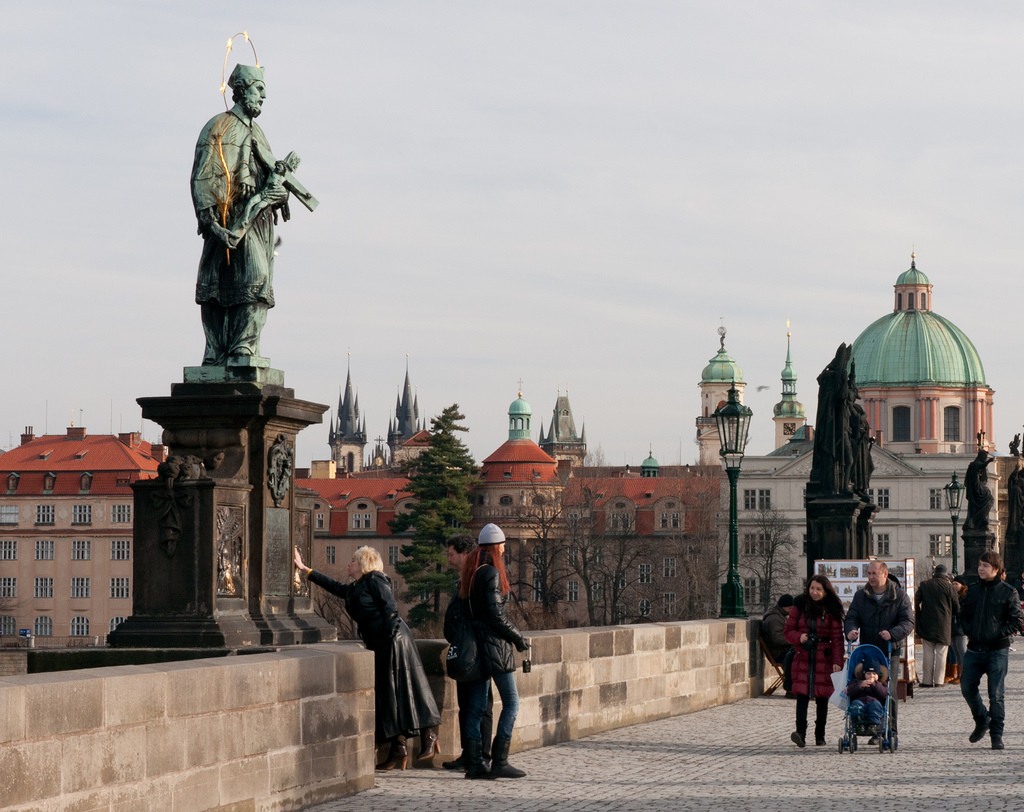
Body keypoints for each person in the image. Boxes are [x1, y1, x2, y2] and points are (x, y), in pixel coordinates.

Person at [294, 545, 441, 770]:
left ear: (363, 564)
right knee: (388, 695)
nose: (349, 564)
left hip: (394, 640)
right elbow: (335, 587)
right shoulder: (357, 587)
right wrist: (306, 570)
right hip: (381, 642)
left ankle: (429, 735)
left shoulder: (375, 579)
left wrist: (390, 638)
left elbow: (391, 609)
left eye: (353, 560)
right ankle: (398, 748)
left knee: (408, 687)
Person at [191, 63, 291, 365]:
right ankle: (219, 351)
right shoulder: (218, 126)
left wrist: (278, 195)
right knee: (221, 286)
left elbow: (269, 176)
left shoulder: (258, 133)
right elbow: (203, 176)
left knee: (257, 282)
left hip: (256, 223)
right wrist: (211, 222)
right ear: (241, 89)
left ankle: (243, 348)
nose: (263, 97)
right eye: (259, 90)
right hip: (227, 219)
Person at [461, 523, 531, 779]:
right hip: (493, 647)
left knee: (476, 707)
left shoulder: (472, 572)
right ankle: (500, 760)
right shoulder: (490, 573)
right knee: (511, 702)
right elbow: (496, 617)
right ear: (495, 547)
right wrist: (518, 638)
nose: (504, 549)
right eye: (502, 545)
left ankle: (475, 764)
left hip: (477, 647)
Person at [959, 551, 1024, 750]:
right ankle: (982, 719)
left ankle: (997, 734)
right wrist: (969, 630)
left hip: (997, 650)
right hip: (974, 649)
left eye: (985, 565)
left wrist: (997, 633)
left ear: (996, 570)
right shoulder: (973, 590)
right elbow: (963, 615)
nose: (980, 568)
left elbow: (1017, 621)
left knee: (996, 695)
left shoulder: (1008, 592)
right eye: (979, 564)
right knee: (967, 687)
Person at [442, 533, 493, 771]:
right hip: (466, 650)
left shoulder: (478, 577)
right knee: (467, 704)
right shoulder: (466, 578)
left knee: (480, 706)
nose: (449, 559)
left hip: (477, 651)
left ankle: (481, 755)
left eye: (451, 554)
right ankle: (469, 753)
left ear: (464, 553)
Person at [844, 560, 913, 730]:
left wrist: (892, 633)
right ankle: (866, 723)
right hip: (867, 651)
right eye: (869, 573)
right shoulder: (861, 595)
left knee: (889, 689)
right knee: (864, 687)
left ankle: (890, 728)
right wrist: (851, 630)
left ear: (885, 574)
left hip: (890, 649)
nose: (871, 577)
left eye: (874, 573)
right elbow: (852, 617)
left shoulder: (899, 596)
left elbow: (908, 622)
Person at [783, 575, 845, 747]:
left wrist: (837, 661)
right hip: (803, 655)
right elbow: (788, 631)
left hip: (823, 656)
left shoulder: (831, 609)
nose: (814, 592)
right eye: (812, 588)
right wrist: (799, 637)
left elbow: (837, 638)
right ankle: (800, 733)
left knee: (822, 697)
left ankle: (820, 735)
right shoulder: (799, 606)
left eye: (818, 589)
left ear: (825, 591)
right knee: (801, 696)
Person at [915, 564, 960, 688]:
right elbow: (956, 606)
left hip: (927, 622)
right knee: (941, 652)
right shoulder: (949, 587)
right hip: (944, 623)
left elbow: (916, 601)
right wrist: (950, 615)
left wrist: (919, 615)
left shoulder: (925, 584)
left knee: (928, 651)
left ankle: (927, 680)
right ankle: (939, 681)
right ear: (945, 575)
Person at [848, 663, 889, 732]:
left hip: (874, 703)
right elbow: (850, 690)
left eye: (874, 674)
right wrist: (860, 685)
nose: (871, 676)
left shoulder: (881, 684)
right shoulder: (857, 682)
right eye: (868, 674)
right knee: (856, 704)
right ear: (864, 674)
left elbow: (884, 694)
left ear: (878, 675)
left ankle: (873, 725)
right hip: (861, 702)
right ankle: (858, 724)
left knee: (875, 705)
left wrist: (875, 685)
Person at [761, 594, 795, 663]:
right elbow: (777, 639)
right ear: (783, 607)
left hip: (783, 651)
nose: (791, 611)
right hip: (779, 654)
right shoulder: (774, 619)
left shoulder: (780, 616)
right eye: (790, 608)